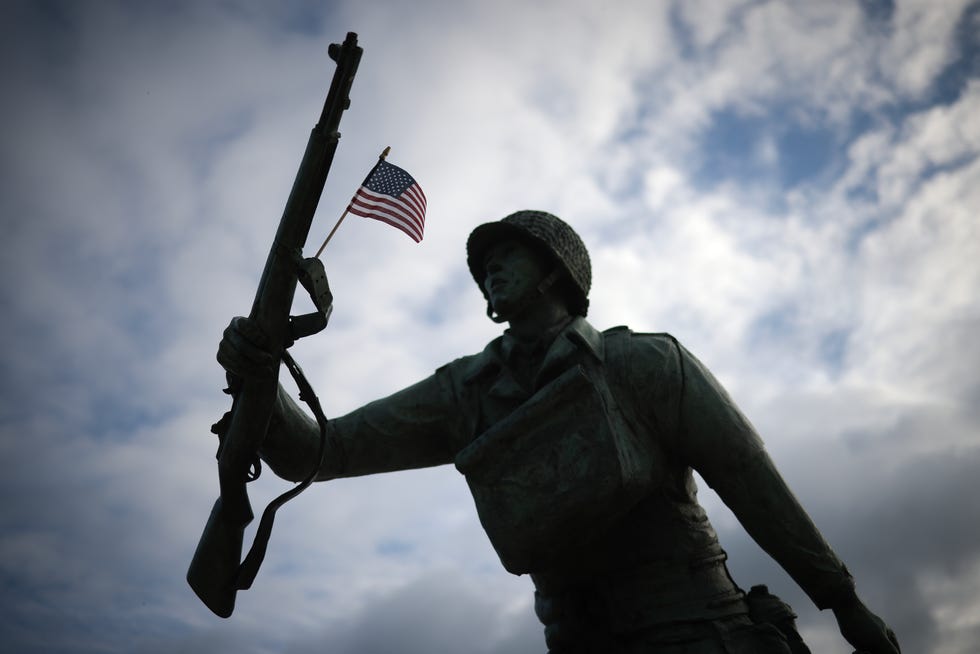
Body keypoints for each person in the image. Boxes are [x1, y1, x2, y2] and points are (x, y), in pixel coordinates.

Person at [219, 210, 901, 653]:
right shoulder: (462, 392)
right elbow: (321, 451)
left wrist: (842, 602)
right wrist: (262, 375)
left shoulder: (641, 362)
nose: (490, 270)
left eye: (507, 256)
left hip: (694, 631)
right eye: (484, 266)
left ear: (555, 269)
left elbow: (750, 479)